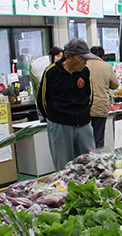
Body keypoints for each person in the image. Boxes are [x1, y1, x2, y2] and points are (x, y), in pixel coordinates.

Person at [37, 38, 97, 171]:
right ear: (69, 56)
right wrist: (55, 118)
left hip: (83, 124)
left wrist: (84, 114)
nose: (85, 62)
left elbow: (90, 96)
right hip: (60, 125)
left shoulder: (85, 71)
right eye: (82, 59)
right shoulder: (51, 72)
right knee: (64, 167)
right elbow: (42, 100)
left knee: (90, 164)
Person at [87, 45, 119, 149]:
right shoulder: (107, 67)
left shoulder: (84, 66)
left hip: (85, 108)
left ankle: (85, 163)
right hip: (100, 107)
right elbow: (115, 85)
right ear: (103, 56)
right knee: (99, 138)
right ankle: (98, 162)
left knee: (86, 140)